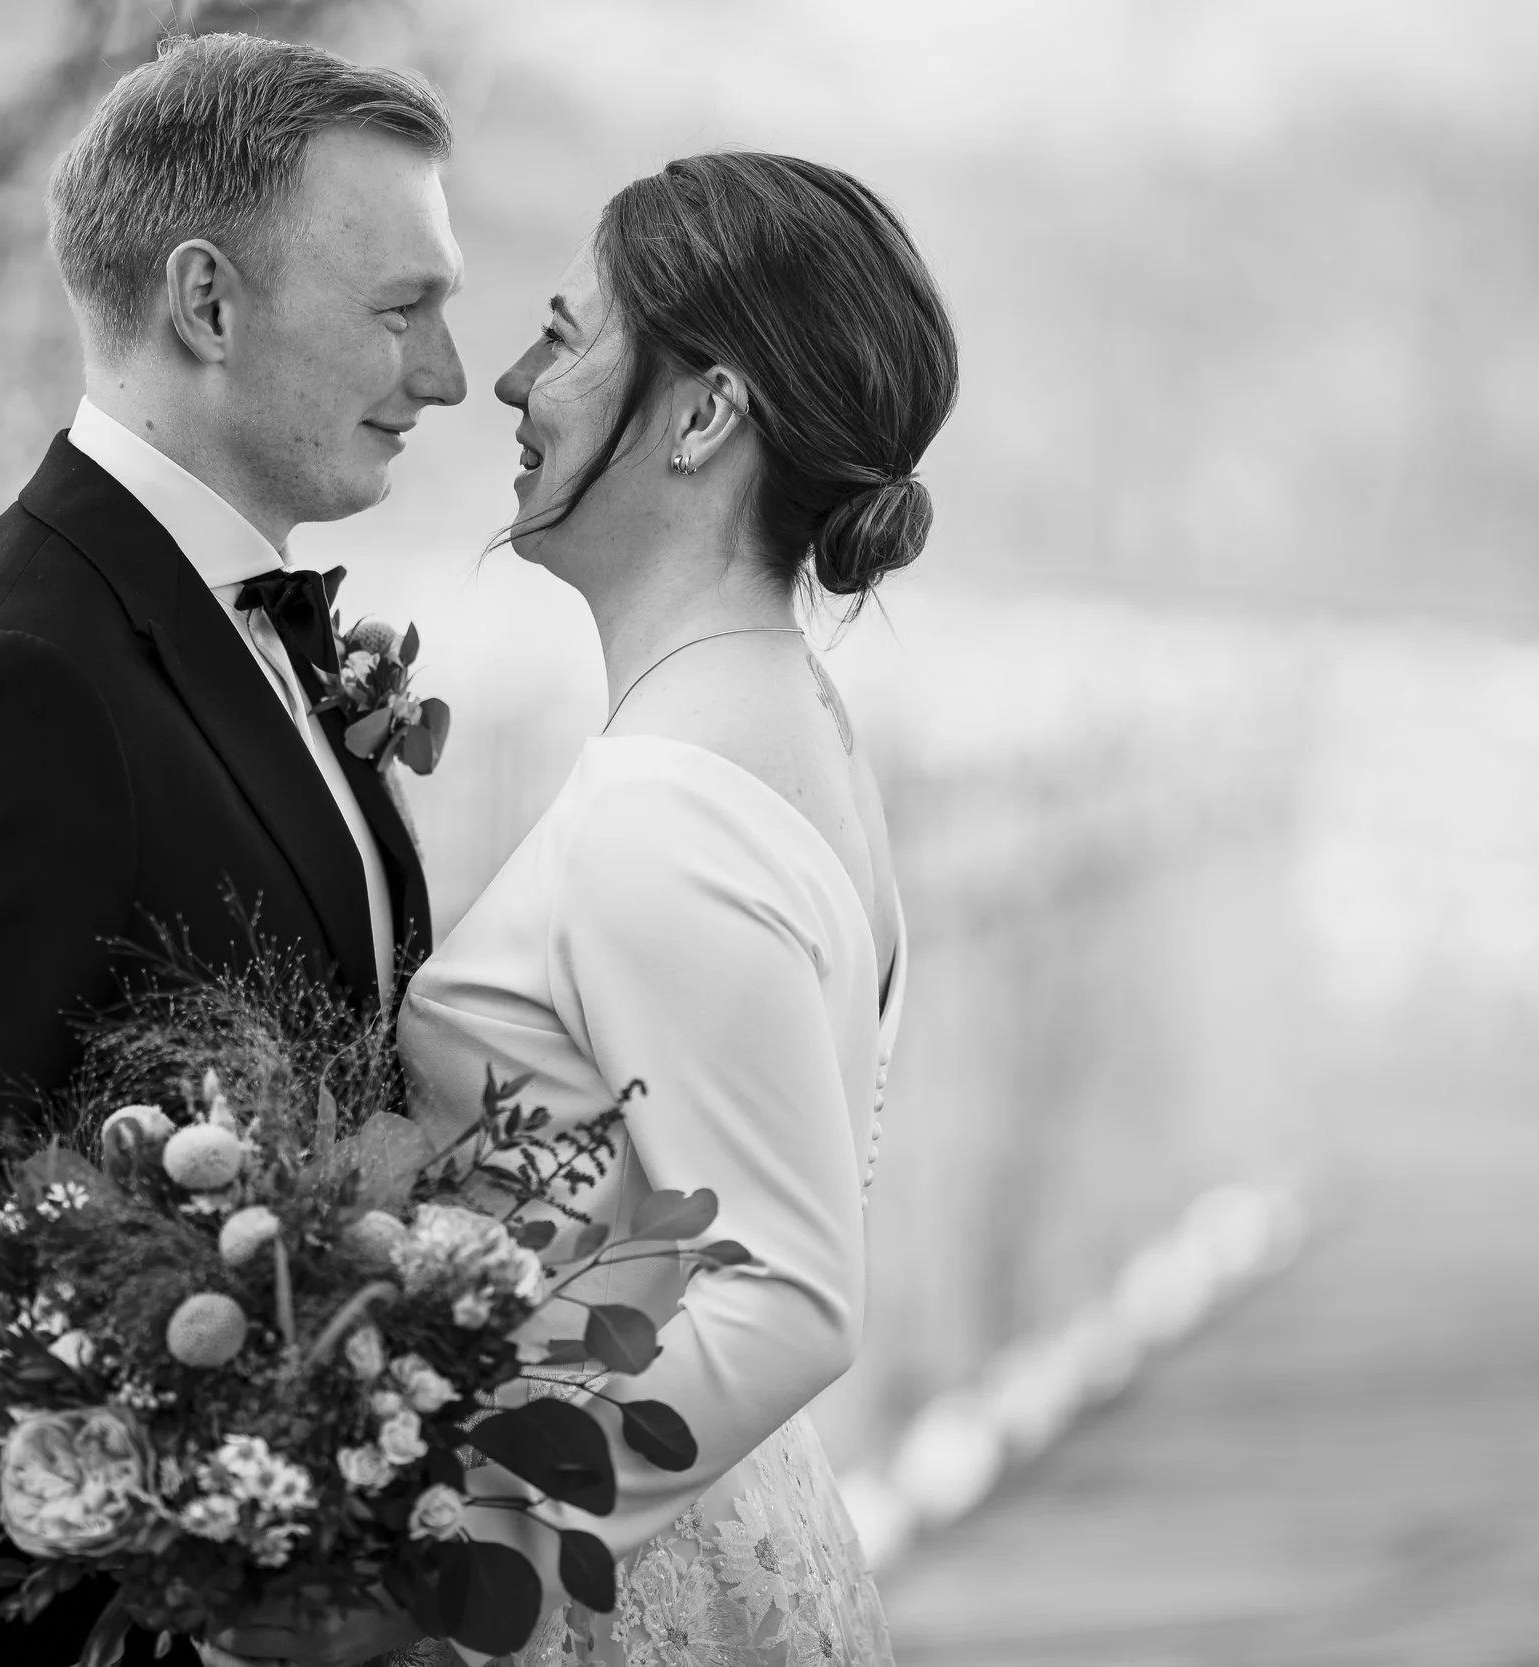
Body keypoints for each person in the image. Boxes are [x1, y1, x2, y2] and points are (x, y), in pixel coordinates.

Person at [0, 37, 462, 1667]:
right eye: (400, 307)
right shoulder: (19, 678)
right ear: (207, 304)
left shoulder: (233, 625)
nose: (444, 374)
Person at [393, 150, 959, 1667]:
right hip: (705, 1514)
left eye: (564, 336)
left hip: (595, 1562)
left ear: (706, 413)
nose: (512, 382)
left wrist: (464, 1564)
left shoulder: (670, 806)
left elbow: (788, 1297)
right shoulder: (789, 716)